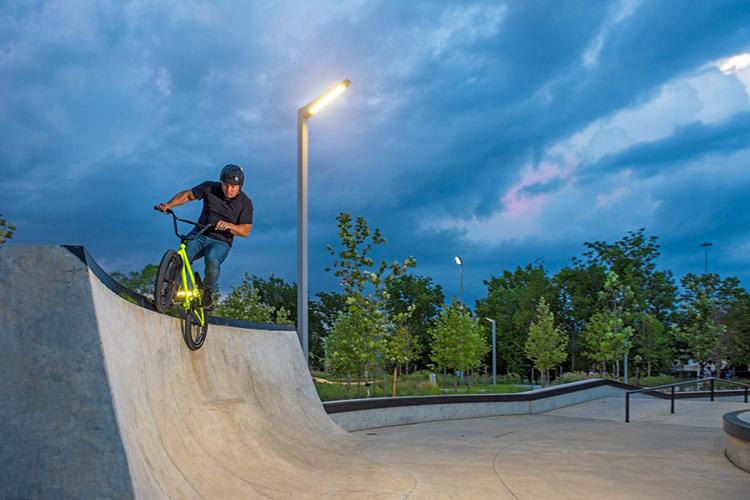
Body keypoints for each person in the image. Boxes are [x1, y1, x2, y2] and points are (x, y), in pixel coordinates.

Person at [155, 164, 253, 308]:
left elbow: (245, 231)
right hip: (199, 233)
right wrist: (169, 205)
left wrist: (229, 226)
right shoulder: (210, 188)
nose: (229, 189)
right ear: (221, 182)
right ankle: (169, 290)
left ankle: (207, 291)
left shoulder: (245, 203)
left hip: (221, 241)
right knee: (183, 255)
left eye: (233, 186)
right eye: (226, 185)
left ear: (240, 186)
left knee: (212, 259)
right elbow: (188, 195)